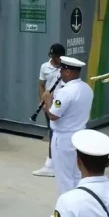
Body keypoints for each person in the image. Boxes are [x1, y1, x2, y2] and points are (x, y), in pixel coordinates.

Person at [43, 56, 93, 198]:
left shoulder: (65, 92)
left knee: (63, 177)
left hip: (64, 138)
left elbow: (53, 115)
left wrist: (48, 101)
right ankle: (78, 206)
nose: (60, 74)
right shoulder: (87, 88)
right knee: (77, 175)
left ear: (68, 72)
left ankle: (64, 211)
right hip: (80, 135)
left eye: (62, 71)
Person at [33, 43, 66, 178]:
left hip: (62, 104)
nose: (58, 60)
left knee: (61, 133)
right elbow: (41, 84)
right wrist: (43, 100)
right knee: (52, 133)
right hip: (49, 104)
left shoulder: (65, 67)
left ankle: (57, 163)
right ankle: (51, 163)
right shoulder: (44, 67)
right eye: (56, 57)